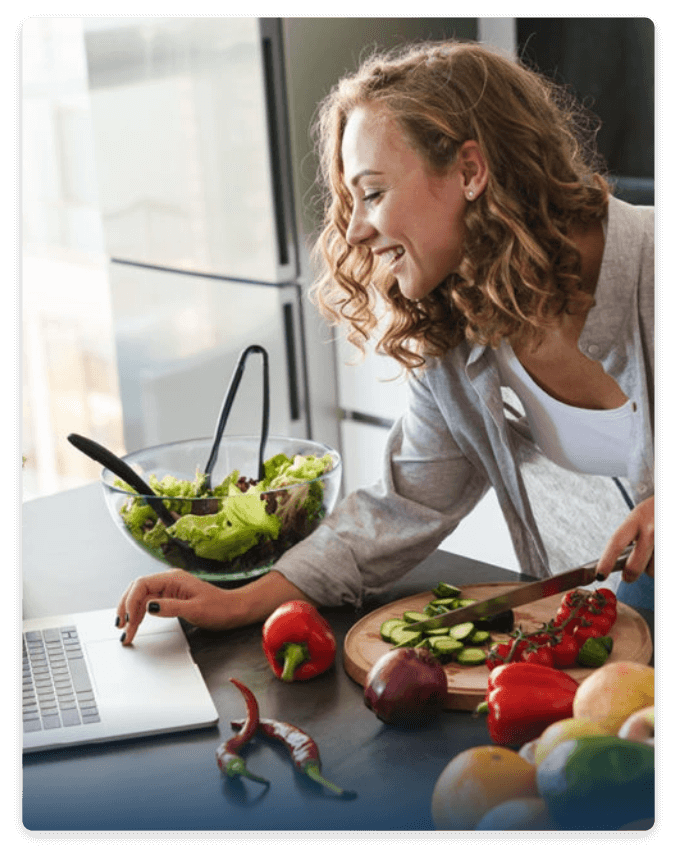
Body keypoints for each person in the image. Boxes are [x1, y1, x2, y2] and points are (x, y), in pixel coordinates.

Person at [116, 40, 654, 645]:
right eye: (351, 201)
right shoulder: (461, 323)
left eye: (372, 193)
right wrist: (242, 600)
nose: (352, 229)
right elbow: (404, 506)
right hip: (610, 649)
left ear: (471, 172)